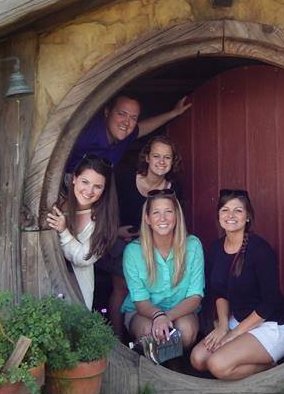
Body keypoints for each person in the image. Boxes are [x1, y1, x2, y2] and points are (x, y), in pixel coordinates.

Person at [190, 189, 284, 380]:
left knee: (217, 365)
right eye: (225, 210)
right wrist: (222, 327)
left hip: (271, 325)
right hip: (237, 321)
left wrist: (233, 334)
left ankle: (271, 367)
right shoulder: (215, 249)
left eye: (238, 210)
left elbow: (269, 303)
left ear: (247, 217)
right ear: (219, 216)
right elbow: (218, 292)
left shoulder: (260, 250)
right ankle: (243, 357)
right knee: (198, 359)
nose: (231, 216)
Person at [106, 136, 183, 337]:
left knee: (151, 289)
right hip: (122, 240)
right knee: (121, 288)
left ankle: (154, 333)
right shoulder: (125, 177)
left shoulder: (173, 189)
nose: (161, 161)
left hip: (154, 244)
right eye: (156, 156)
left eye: (167, 157)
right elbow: (107, 210)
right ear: (147, 157)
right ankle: (116, 340)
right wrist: (116, 232)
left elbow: (173, 222)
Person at [121, 189, 203, 351]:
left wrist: (167, 317)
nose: (163, 218)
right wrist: (158, 316)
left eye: (168, 212)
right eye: (156, 213)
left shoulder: (192, 245)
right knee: (149, 334)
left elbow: (195, 296)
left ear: (177, 216)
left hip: (180, 311)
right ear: (147, 218)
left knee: (185, 332)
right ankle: (161, 365)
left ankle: (171, 364)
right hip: (143, 312)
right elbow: (140, 299)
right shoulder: (133, 251)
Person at [44, 155, 118, 309]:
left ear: (104, 190)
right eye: (85, 182)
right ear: (74, 179)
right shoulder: (55, 204)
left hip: (76, 290)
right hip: (43, 280)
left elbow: (83, 259)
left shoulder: (102, 221)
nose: (89, 191)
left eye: (98, 186)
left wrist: (64, 232)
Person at [65, 94, 191, 172]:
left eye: (133, 118)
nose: (127, 122)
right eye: (121, 114)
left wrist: (173, 113)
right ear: (107, 112)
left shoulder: (124, 134)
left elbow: (143, 128)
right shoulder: (84, 135)